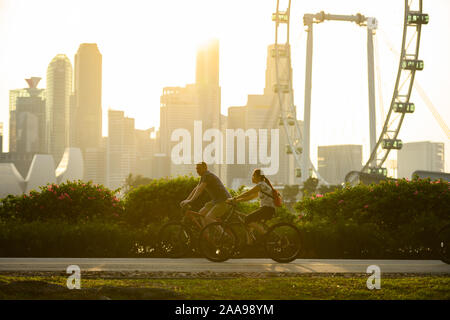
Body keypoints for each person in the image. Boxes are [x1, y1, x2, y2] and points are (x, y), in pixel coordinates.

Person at [226, 169, 276, 239]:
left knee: (247, 219)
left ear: (258, 177)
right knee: (247, 224)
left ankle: (266, 234)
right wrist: (237, 201)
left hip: (267, 209)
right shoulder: (262, 186)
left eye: (253, 175)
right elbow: (250, 197)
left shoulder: (261, 185)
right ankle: (250, 242)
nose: (252, 177)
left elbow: (248, 193)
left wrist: (234, 198)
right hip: (266, 209)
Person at [180, 162, 232, 226]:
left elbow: (200, 189)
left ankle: (223, 235)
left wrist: (190, 200)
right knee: (201, 213)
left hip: (224, 201)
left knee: (208, 218)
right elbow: (196, 189)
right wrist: (186, 200)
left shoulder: (207, 175)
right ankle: (205, 234)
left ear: (205, 168)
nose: (197, 171)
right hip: (216, 201)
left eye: (199, 168)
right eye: (196, 169)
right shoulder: (203, 176)